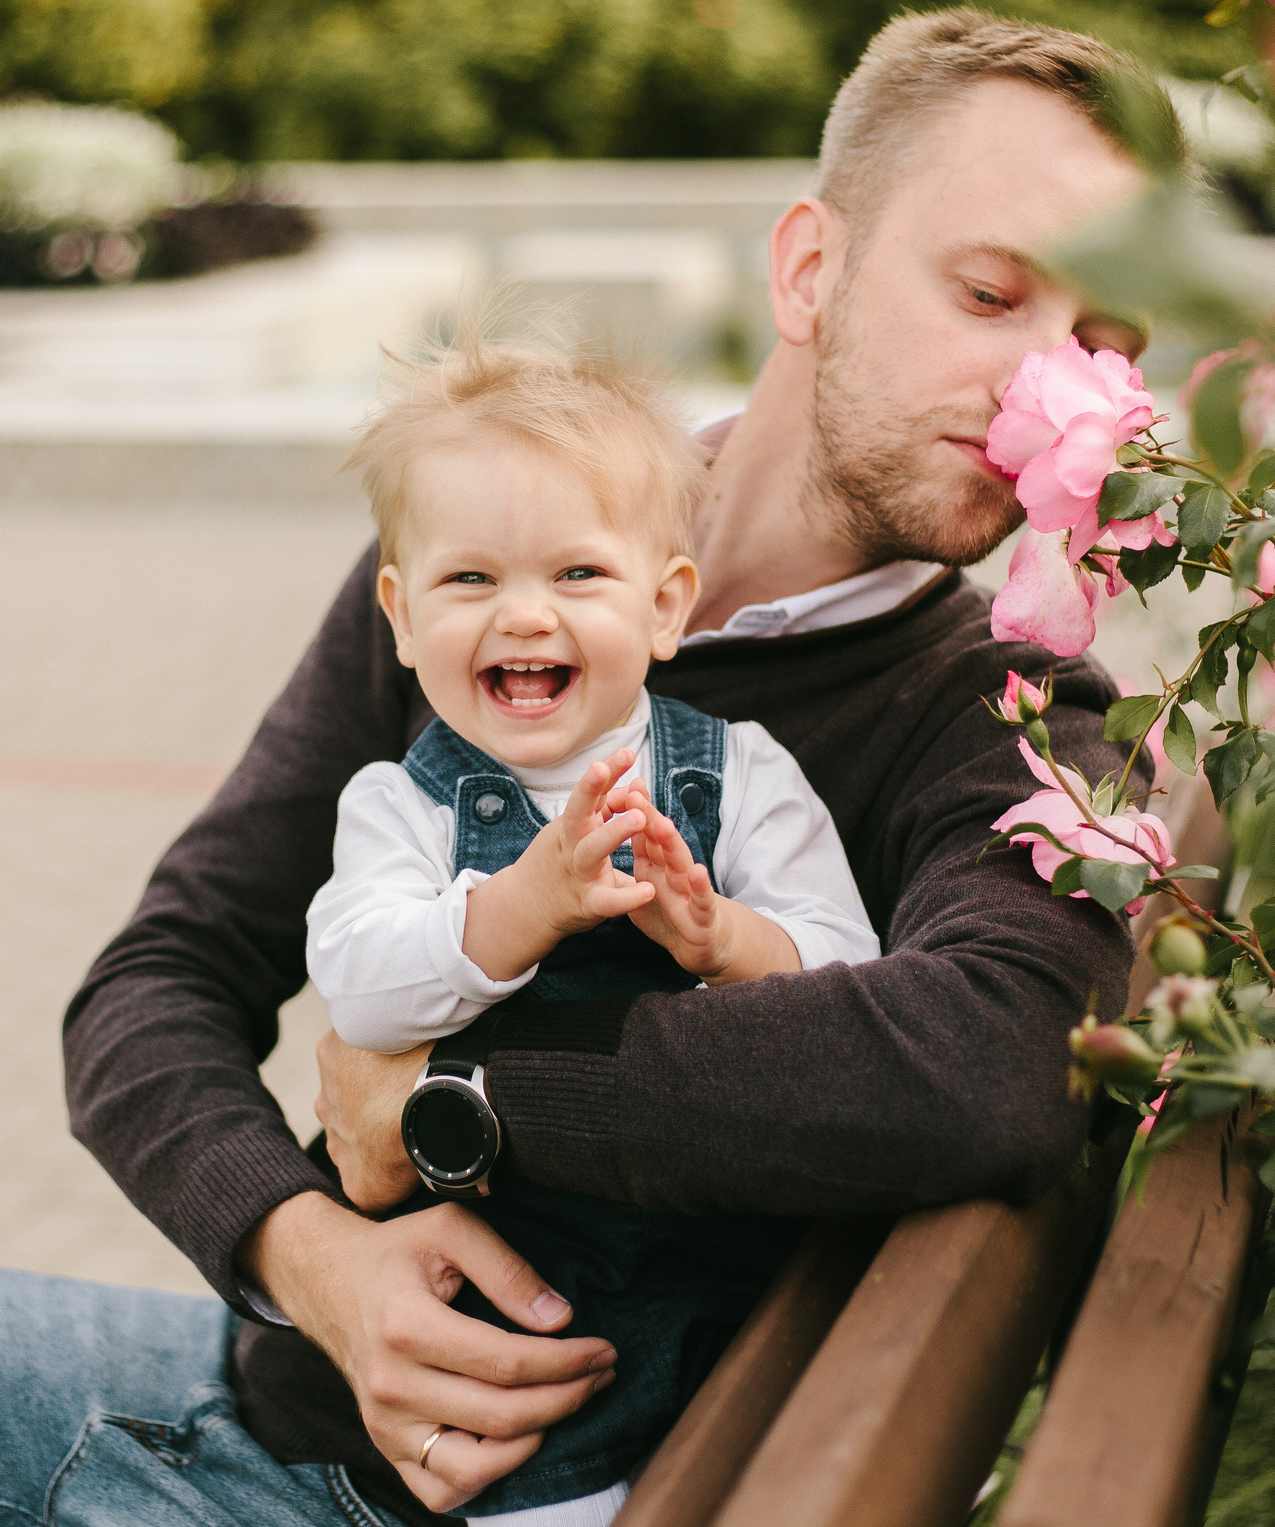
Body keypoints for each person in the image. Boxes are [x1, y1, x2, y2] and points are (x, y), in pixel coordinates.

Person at [0, 10, 1169, 1527]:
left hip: (430, 1483)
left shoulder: (1008, 710)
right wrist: (309, 1249)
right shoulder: (497, 554)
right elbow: (158, 983)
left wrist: (454, 1096)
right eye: (993, 292)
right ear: (810, 269)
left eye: (1100, 345)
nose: (1042, 384)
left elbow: (993, 1060)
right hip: (263, 1368)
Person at [307, 343, 880, 1524]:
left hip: (731, 1270)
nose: (526, 613)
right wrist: (523, 905)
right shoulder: (398, 807)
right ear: (401, 617)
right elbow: (360, 996)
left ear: (664, 604)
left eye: (577, 571)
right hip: (529, 1315)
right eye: (470, 580)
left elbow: (853, 976)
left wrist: (725, 940)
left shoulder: (737, 777)